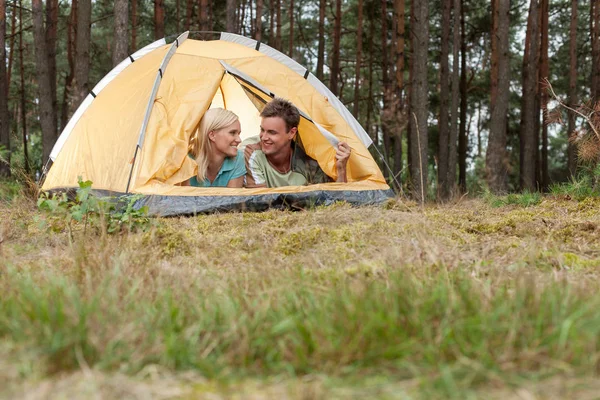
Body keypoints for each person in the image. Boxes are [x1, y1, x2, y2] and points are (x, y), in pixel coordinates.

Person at [244, 98, 351, 188]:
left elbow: (335, 201)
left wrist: (341, 170)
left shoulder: (308, 161)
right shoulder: (251, 152)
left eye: (272, 132)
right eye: (262, 130)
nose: (264, 137)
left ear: (291, 133)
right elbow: (260, 200)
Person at [180, 108, 245, 188]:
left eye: (238, 133)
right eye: (232, 133)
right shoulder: (186, 160)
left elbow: (232, 199)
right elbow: (183, 199)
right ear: (212, 135)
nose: (239, 140)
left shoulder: (238, 159)